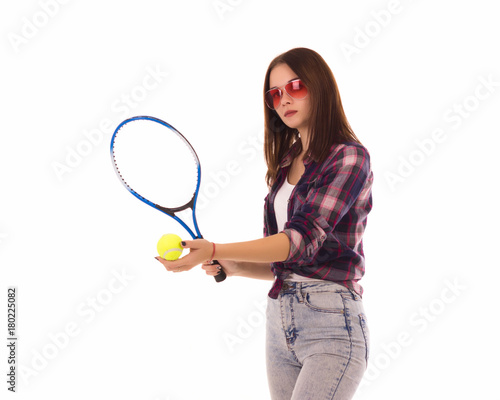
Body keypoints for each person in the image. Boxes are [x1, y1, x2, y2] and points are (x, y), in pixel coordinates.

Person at [155, 47, 373, 400]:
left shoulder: (349, 157)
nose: (284, 99)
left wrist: (213, 248)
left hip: (332, 323)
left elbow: (298, 240)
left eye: (296, 86)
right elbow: (285, 262)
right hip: (279, 321)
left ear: (321, 87)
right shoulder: (286, 162)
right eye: (275, 94)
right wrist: (235, 265)